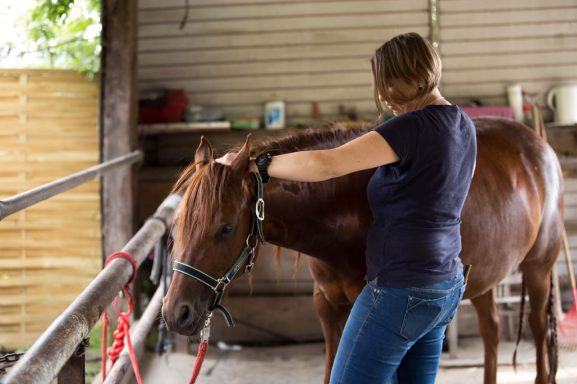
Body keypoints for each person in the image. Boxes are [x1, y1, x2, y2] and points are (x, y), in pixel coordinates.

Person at [217, 32, 477, 384]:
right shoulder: (463, 124)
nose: (385, 98)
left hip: (402, 288)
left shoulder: (410, 127)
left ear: (413, 77)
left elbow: (327, 165)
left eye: (389, 85)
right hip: (446, 286)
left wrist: (258, 165)